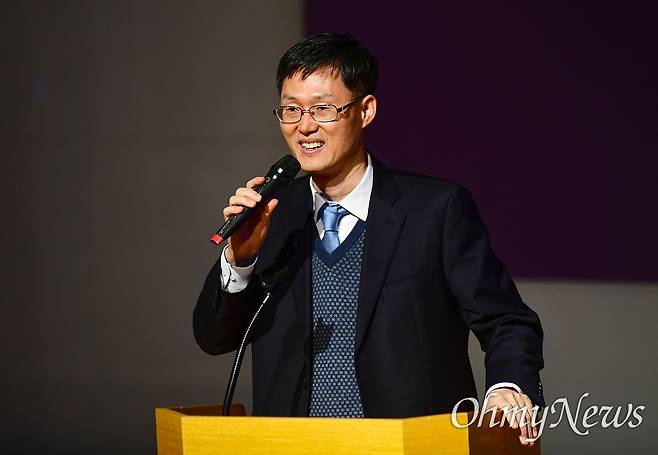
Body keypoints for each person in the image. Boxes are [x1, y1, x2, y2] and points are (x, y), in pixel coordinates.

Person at [194, 33, 544, 445]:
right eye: (291, 109)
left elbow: (506, 321)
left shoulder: (435, 210)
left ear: (365, 111)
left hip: (411, 446)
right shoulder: (270, 216)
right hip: (291, 444)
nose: (305, 126)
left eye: (322, 108)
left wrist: (507, 387)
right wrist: (240, 261)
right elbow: (214, 339)